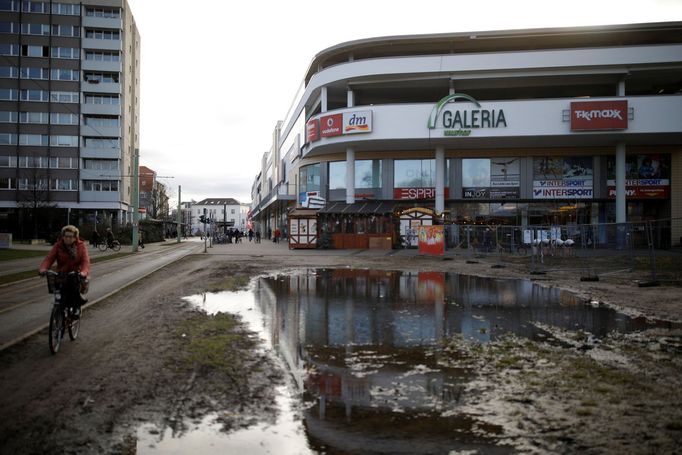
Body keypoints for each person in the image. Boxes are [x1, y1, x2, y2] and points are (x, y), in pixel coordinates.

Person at [39, 225, 90, 318]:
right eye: (66, 236)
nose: (68, 238)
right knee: (59, 290)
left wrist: (83, 272)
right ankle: (59, 310)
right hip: (62, 274)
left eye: (70, 236)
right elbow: (49, 258)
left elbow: (85, 262)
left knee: (73, 284)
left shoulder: (81, 246)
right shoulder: (58, 246)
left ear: (75, 237)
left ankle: (76, 307)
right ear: (63, 236)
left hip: (76, 273)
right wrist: (43, 269)